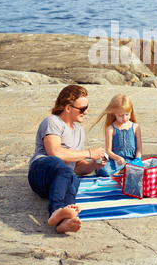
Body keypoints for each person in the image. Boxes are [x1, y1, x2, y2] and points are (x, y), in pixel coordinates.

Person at [28, 85, 106, 233]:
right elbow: (55, 152)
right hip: (40, 173)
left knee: (73, 178)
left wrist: (94, 165)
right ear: (67, 107)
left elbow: (76, 166)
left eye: (86, 107)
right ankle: (56, 210)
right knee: (61, 166)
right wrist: (89, 153)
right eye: (82, 108)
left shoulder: (79, 131)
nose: (86, 112)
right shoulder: (52, 122)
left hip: (58, 185)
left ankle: (65, 221)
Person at [91, 94, 142, 176]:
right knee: (104, 170)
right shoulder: (110, 129)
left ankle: (122, 171)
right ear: (114, 113)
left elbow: (139, 149)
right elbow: (108, 150)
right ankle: (123, 171)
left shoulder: (135, 127)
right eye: (121, 115)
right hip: (115, 161)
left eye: (127, 114)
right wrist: (117, 158)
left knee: (141, 169)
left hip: (131, 161)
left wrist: (138, 159)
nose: (125, 118)